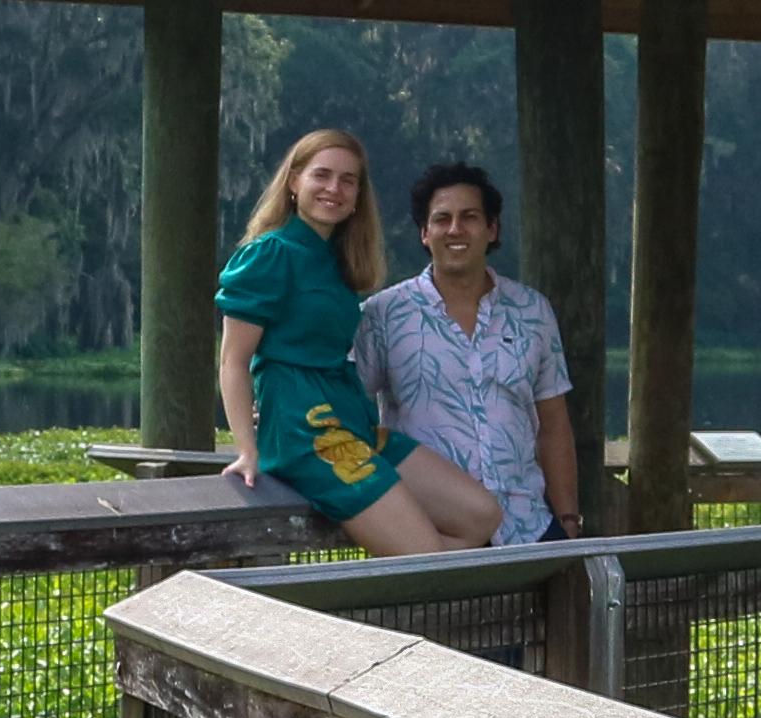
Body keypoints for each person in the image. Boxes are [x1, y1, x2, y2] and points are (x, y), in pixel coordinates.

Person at [213, 129, 506, 554]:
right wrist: (247, 449)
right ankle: (416, 573)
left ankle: (418, 574)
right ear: (294, 182)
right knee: (424, 553)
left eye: (348, 180)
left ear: (357, 196)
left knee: (480, 515)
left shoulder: (336, 261)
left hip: (352, 421)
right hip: (304, 433)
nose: (334, 188)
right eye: (322, 175)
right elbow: (233, 361)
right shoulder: (270, 253)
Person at [359, 161, 579, 546]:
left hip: (529, 528)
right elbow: (346, 408)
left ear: (492, 229)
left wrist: (568, 520)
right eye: (442, 219)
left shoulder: (532, 310)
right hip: (433, 534)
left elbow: (554, 423)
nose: (455, 230)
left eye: (470, 217)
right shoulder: (383, 315)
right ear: (425, 233)